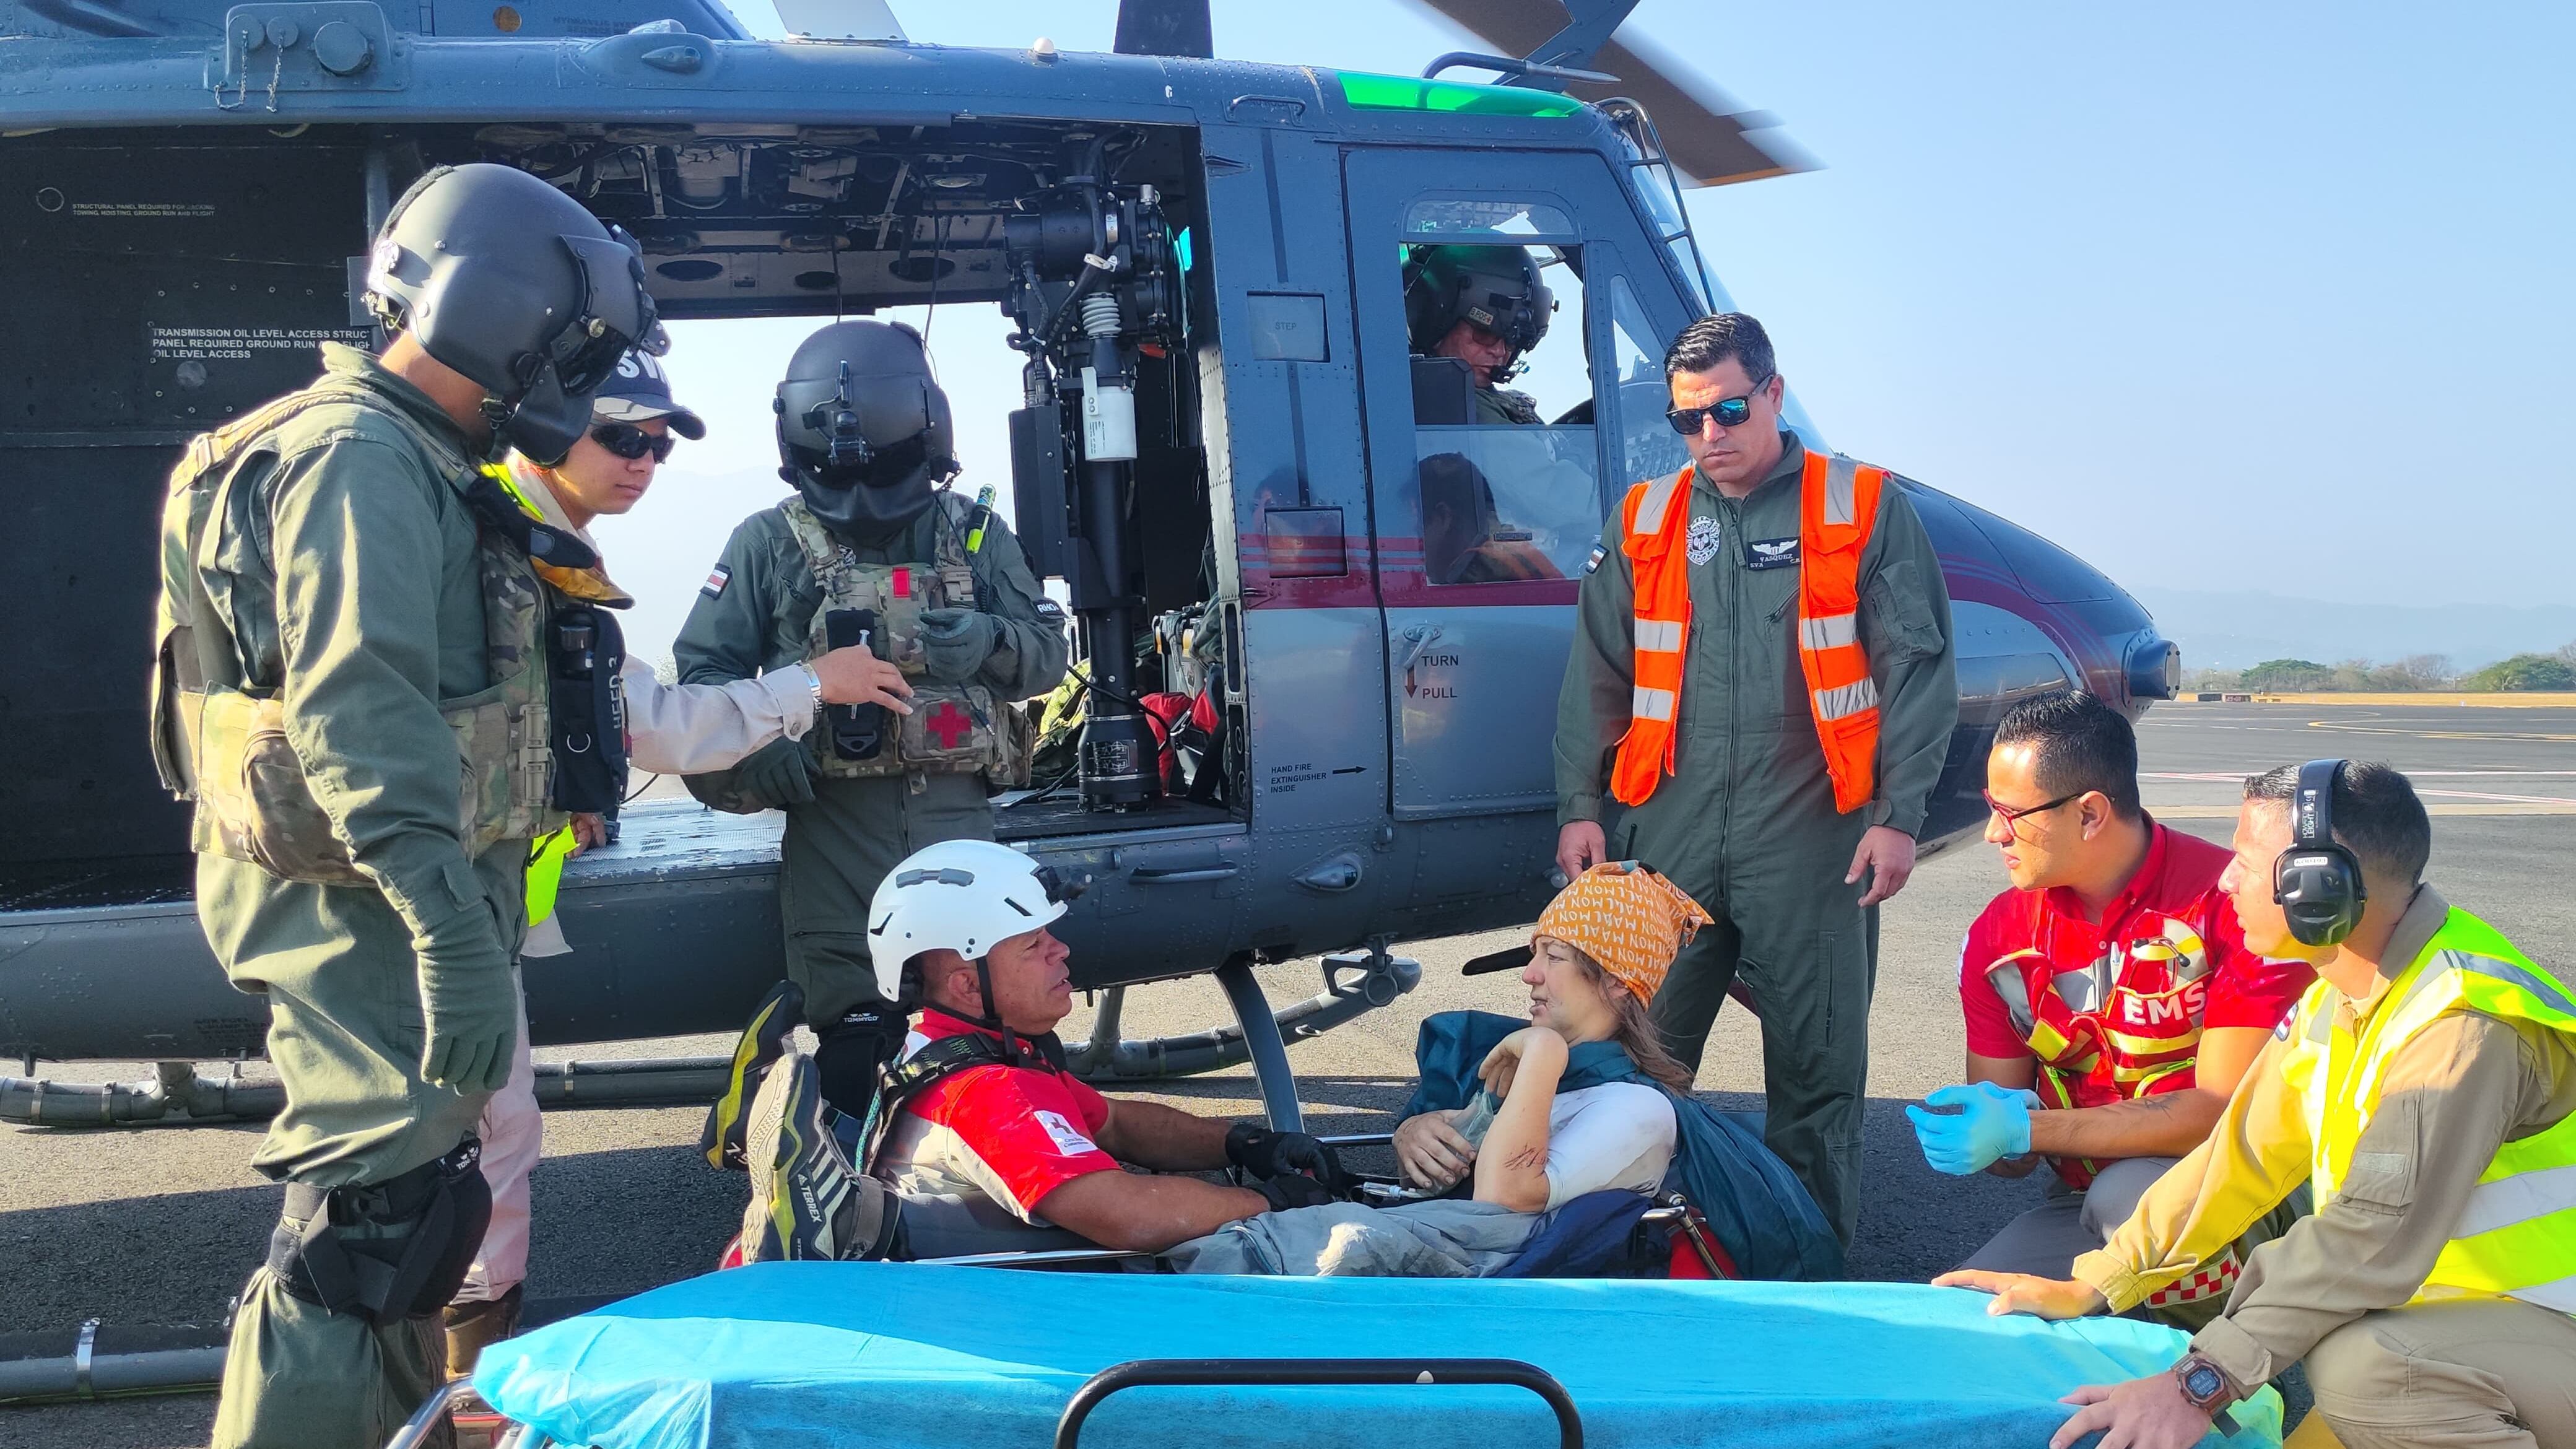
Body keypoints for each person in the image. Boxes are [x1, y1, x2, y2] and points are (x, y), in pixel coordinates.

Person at [149, 162, 658, 1448]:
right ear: (507, 316)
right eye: (572, 341)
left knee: (406, 1232)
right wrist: (447, 935)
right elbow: (358, 716)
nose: (581, 377)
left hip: (391, 901)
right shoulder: (358, 458)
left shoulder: (408, 454)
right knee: (367, 1244)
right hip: (375, 915)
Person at [440, 350, 915, 1374]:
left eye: (660, 443)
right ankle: (446, 1389)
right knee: (461, 1151)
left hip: (465, 905)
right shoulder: (503, 544)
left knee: (490, 1141)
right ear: (546, 424)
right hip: (436, 911)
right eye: (625, 437)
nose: (647, 462)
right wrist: (813, 683)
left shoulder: (517, 540)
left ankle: (461, 1381)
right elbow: (668, 723)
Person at [1940, 762, 2576, 1449]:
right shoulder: (2343, 993)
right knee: (2368, 1373)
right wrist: (2094, 1284)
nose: (2224, 880)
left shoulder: (2461, 1024)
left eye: (2246, 861)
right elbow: (2237, 1158)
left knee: (2367, 1372)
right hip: (2455, 1323)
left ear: (2316, 887)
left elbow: (2372, 1235)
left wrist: (2198, 1384)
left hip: (2536, 1323)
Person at [1552, 311, 1959, 1246]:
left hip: (1813, 836)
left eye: (1729, 410)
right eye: (1688, 419)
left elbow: (1917, 671)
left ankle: (1809, 1282)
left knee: (1817, 1078)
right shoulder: (1647, 518)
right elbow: (1597, 672)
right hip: (1668, 834)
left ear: (1773, 393)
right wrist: (1581, 803)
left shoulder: (1859, 506)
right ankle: (1632, 1261)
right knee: (1633, 1066)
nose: (1710, 436)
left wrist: (1898, 817)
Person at [676, 320, 1068, 1131]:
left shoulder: (974, 533)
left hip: (959, 829)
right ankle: (856, 1229)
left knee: (1001, 1033)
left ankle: (1015, 1212)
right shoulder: (765, 545)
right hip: (833, 837)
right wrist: (759, 759)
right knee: (851, 1049)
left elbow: (1046, 654)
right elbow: (700, 687)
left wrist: (991, 641)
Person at [1173, 861, 1835, 1279]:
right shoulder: (1540, 1078)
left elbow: (1499, 1207)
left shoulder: (1638, 1110)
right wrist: (1413, 1133)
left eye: (1552, 956)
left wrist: (1542, 1052)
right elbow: (1443, 1187)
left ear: (1612, 983)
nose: (1529, 973)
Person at [734, 839, 1343, 1261]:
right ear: (967, 984)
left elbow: (1120, 1124)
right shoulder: (985, 1093)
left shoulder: (979, 1052)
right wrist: (1267, 1203)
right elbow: (1127, 1215)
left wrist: (1244, 1142)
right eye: (1031, 945)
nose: (1061, 953)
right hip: (1048, 1316)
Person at [1910, 690, 2313, 1315]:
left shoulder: (2232, 908)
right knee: (1972, 1315)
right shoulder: (1999, 936)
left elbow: (2218, 1115)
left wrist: (2026, 1127)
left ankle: (2223, 1378)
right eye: (1990, 808)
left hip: (2243, 1195)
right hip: (2089, 1205)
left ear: (2090, 815)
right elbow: (2011, 1166)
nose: (1993, 833)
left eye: (2011, 814)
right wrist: (1984, 1129)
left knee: (2125, 1199)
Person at [1404, 243, 1552, 425]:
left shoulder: (1488, 401)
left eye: (1512, 342)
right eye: (1485, 334)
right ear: (1434, 320)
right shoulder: (1451, 406)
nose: (1499, 352)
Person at [1418, 452, 1563, 585]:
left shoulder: (1477, 578)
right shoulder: (1514, 553)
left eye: (1415, 528)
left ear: (1443, 517)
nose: (1413, 543)